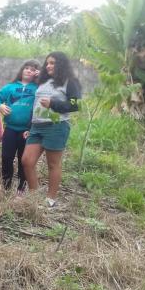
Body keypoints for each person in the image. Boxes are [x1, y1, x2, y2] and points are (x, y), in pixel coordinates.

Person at [22, 52, 82, 208]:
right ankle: (34, 196)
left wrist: (53, 103)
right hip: (37, 126)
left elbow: (76, 104)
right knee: (27, 161)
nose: (48, 65)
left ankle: (50, 199)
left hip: (56, 126)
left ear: (61, 64)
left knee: (53, 164)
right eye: (47, 63)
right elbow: (35, 104)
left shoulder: (70, 82)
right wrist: (30, 126)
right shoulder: (43, 81)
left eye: (53, 63)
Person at [0, 60, 40, 193]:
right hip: (10, 129)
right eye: (26, 68)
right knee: (6, 157)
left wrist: (41, 77)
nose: (29, 71)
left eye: (32, 69)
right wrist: (0, 105)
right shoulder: (10, 87)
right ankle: (6, 186)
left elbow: (49, 87)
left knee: (23, 160)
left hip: (27, 131)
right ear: (22, 70)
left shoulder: (38, 88)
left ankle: (21, 187)